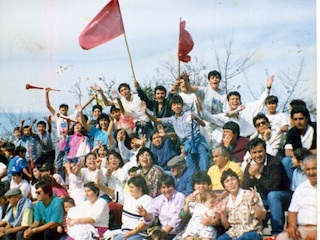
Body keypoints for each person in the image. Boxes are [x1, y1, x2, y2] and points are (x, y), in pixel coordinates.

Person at [143, 95, 210, 172]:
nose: (176, 106)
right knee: (191, 168)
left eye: (178, 104)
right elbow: (156, 120)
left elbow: (203, 124)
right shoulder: (172, 119)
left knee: (204, 163)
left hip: (198, 141)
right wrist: (146, 113)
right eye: (174, 105)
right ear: (171, 107)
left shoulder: (190, 114)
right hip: (187, 145)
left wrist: (195, 118)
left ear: (182, 105)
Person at [241, 137, 291, 236]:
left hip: (283, 196)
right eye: (254, 153)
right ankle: (252, 231)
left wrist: (257, 175)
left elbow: (274, 187)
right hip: (264, 198)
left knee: (272, 195)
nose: (257, 155)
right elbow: (245, 188)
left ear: (265, 150)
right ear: (250, 154)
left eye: (260, 151)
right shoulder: (250, 165)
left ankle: (277, 233)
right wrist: (251, 176)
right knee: (249, 198)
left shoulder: (274, 163)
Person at [217, 169, 266, 240]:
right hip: (233, 233)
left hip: (252, 232)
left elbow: (263, 216)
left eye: (233, 179)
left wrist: (252, 203)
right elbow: (226, 226)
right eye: (227, 181)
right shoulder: (226, 201)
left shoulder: (250, 194)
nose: (231, 183)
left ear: (238, 181)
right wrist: (222, 213)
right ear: (225, 187)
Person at [276, 155, 317, 240]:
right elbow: (293, 211)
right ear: (304, 171)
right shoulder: (300, 188)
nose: (311, 172)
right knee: (282, 238)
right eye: (308, 169)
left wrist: (317, 231)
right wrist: (292, 227)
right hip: (302, 229)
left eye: (314, 168)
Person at [137, 175, 186, 240]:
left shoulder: (180, 197)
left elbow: (177, 219)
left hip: (176, 233)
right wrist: (146, 215)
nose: (166, 190)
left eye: (169, 187)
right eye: (163, 187)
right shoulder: (158, 200)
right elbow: (152, 214)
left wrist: (162, 235)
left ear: (173, 186)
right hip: (162, 234)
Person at [282, 106, 317, 182]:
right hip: (298, 161)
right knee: (286, 161)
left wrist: (305, 155)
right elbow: (287, 152)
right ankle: (295, 186)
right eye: (295, 119)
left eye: (301, 119)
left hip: (315, 159)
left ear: (307, 118)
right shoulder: (292, 132)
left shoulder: (316, 128)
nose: (298, 122)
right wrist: (300, 156)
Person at [111, 176, 152, 240]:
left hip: (139, 233)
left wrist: (133, 232)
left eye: (132, 187)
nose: (130, 190)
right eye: (129, 187)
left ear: (140, 188)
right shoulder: (128, 198)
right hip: (124, 232)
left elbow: (146, 222)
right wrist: (99, 185)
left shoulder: (148, 200)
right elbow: (113, 194)